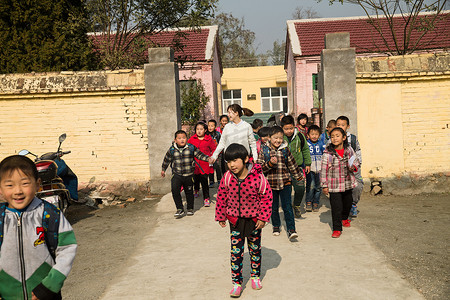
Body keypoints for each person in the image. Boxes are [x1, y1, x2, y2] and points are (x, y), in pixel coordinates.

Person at [0, 155, 77, 299]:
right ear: (0, 189)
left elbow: (67, 248)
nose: (18, 191)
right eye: (10, 185)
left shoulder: (50, 214)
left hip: (45, 294)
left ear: (37, 184)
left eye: (25, 183)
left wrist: (51, 284)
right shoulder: (1, 218)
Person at [215, 143, 273, 298]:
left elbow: (267, 198)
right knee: (236, 252)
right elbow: (221, 197)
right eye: (228, 161)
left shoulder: (258, 178)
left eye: (235, 160)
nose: (232, 164)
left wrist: (263, 217)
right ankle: (237, 283)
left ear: (246, 159)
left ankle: (254, 276)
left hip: (254, 221)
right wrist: (221, 215)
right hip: (235, 221)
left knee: (255, 250)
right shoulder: (227, 177)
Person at [257, 126, 303, 240]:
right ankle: (276, 226)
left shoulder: (285, 149)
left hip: (285, 182)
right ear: (269, 138)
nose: (278, 140)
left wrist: (298, 177)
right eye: (275, 138)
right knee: (273, 207)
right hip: (270, 184)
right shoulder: (264, 149)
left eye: (280, 138)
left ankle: (291, 229)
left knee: (287, 206)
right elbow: (259, 168)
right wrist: (270, 164)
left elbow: (292, 164)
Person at [321, 127, 360, 238]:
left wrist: (354, 167)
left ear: (343, 138)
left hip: (348, 182)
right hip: (334, 185)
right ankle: (337, 228)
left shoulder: (349, 150)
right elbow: (323, 170)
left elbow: (356, 161)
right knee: (336, 207)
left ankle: (344, 218)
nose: (334, 138)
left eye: (337, 136)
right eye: (332, 136)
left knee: (348, 202)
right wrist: (324, 185)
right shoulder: (328, 153)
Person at [161, 130, 210, 217]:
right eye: (179, 138)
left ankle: (190, 208)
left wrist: (208, 159)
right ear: (175, 140)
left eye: (184, 138)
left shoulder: (191, 148)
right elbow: (166, 159)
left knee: (189, 192)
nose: (182, 140)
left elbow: (199, 155)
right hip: (177, 174)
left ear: (186, 139)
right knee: (175, 191)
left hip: (189, 175)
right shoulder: (172, 149)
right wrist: (163, 170)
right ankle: (179, 208)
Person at [280, 115, 311, 218]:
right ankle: (288, 210)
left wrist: (307, 163)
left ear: (294, 126)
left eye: (291, 128)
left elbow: (305, 149)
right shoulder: (279, 138)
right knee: (286, 191)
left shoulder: (300, 136)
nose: (289, 131)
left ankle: (296, 205)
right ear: (282, 128)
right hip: (283, 169)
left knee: (300, 188)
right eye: (286, 129)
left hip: (297, 168)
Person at [335, 116, 363, 217]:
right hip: (339, 169)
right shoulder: (333, 138)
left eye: (343, 125)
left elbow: (358, 152)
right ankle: (343, 207)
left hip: (353, 168)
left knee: (358, 186)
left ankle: (353, 204)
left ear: (348, 126)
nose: (340, 127)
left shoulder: (353, 139)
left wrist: (357, 165)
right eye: (338, 125)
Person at [188, 122, 216, 206]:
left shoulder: (209, 139)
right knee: (196, 179)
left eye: (201, 129)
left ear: (205, 130)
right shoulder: (192, 139)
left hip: (205, 164)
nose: (199, 131)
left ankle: (206, 198)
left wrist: (212, 158)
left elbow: (214, 149)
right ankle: (196, 189)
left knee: (204, 181)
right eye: (197, 129)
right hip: (195, 164)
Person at [305, 125, 326, 212]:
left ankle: (316, 202)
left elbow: (325, 155)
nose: (314, 136)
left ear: (319, 135)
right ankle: (309, 202)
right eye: (312, 134)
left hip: (320, 169)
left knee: (318, 187)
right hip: (310, 169)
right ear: (308, 135)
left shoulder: (321, 144)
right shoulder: (306, 144)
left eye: (316, 134)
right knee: (311, 186)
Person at [206, 119, 222, 187]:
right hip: (209, 154)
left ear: (215, 127)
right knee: (210, 167)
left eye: (212, 126)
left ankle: (219, 180)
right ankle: (211, 181)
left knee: (218, 167)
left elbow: (221, 143)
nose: (210, 127)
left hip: (217, 153)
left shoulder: (218, 134)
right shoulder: (206, 134)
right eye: (209, 125)